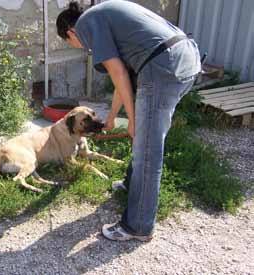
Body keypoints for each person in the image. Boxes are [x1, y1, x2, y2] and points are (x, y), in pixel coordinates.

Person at [56, 0, 201, 241]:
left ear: (70, 32)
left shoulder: (87, 24)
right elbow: (122, 79)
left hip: (162, 68)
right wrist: (112, 117)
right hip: (183, 60)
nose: (80, 46)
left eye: (72, 43)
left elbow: (118, 73)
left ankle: (138, 226)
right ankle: (132, 184)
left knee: (147, 148)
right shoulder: (104, 16)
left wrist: (133, 122)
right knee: (146, 137)